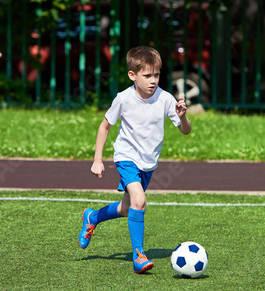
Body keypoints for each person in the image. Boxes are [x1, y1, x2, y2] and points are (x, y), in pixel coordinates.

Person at [78, 46, 192, 274]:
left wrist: (183, 116)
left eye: (157, 75)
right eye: (147, 75)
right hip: (126, 157)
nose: (153, 80)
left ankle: (92, 216)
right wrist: (97, 160)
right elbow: (105, 125)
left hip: (148, 163)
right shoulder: (124, 98)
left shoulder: (166, 99)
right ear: (133, 75)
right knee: (139, 201)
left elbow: (185, 131)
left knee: (126, 208)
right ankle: (139, 255)